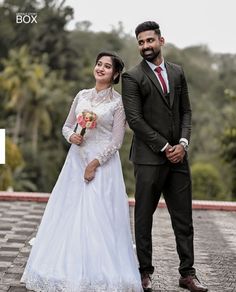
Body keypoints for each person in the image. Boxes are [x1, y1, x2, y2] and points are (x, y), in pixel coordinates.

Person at [21, 51, 143, 292]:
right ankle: (63, 266)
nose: (101, 68)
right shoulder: (81, 96)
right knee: (68, 212)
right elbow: (66, 126)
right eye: (99, 64)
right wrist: (72, 136)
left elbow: (117, 141)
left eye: (107, 66)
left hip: (101, 165)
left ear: (115, 73)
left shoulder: (118, 103)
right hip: (75, 161)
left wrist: (95, 163)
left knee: (97, 217)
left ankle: (98, 273)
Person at [121, 21, 208, 292]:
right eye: (141, 42)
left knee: (183, 218)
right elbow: (134, 120)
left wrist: (182, 143)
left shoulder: (177, 72)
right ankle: (144, 273)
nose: (145, 46)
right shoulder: (132, 77)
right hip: (149, 159)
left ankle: (187, 274)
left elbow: (186, 112)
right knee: (143, 218)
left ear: (161, 40)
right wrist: (164, 147)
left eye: (149, 40)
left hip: (179, 158)